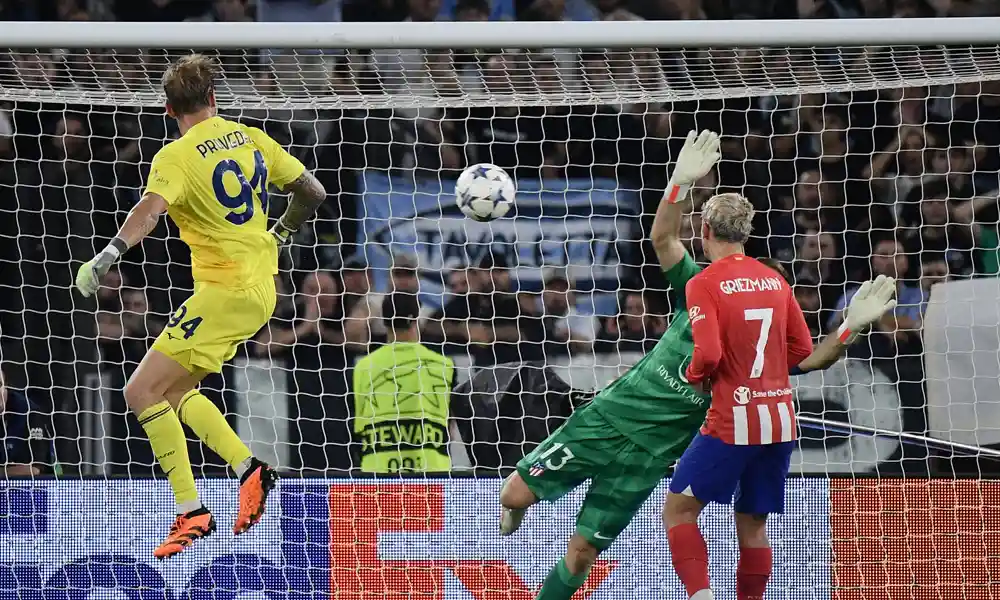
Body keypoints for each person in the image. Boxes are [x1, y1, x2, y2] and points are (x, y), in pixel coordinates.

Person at [496, 130, 897, 600]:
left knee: (583, 553)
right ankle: (517, 511)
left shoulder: (756, 346)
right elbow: (663, 236)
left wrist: (852, 327)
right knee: (512, 497)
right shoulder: (698, 283)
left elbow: (810, 359)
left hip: (649, 456)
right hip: (606, 420)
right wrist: (679, 185)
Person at [72, 54, 328, 559]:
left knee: (140, 391)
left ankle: (190, 508)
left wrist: (109, 253)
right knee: (175, 391)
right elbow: (312, 192)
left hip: (223, 290)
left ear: (170, 109)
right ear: (214, 97)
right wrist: (282, 230)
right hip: (262, 291)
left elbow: (149, 209)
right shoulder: (251, 136)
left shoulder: (176, 156)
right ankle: (247, 470)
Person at [663, 195, 896, 600]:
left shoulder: (703, 282)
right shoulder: (776, 281)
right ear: (746, 234)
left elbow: (709, 354)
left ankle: (701, 596)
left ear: (704, 232)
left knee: (679, 512)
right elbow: (807, 358)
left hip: (733, 420)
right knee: (753, 523)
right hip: (781, 422)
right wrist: (848, 328)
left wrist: (694, 375)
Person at [353, 290, 455, 473]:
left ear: (384, 322)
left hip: (378, 474)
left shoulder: (363, 366)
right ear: (417, 319)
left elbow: (358, 427)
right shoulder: (445, 365)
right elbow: (451, 427)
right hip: (431, 473)